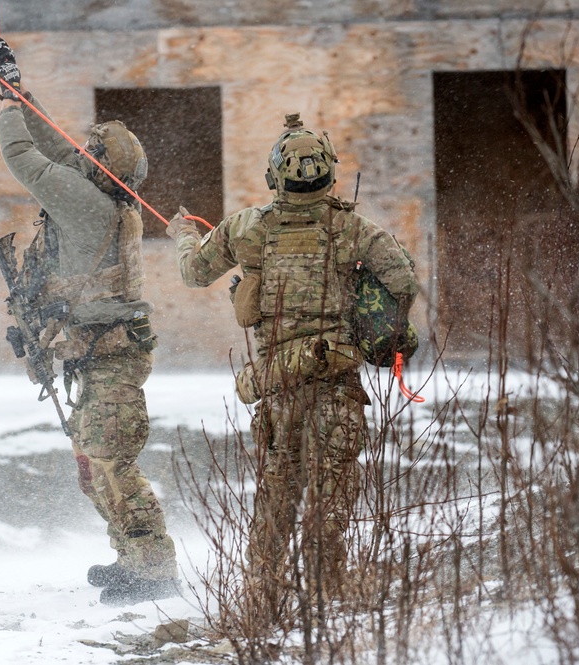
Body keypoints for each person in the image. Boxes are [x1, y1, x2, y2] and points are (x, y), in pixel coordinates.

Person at [166, 113, 418, 610]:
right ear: (329, 171)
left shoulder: (247, 228)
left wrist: (182, 233)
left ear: (273, 174)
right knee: (331, 499)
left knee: (277, 495)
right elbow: (404, 283)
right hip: (338, 385)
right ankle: (327, 598)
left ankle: (260, 599)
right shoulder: (355, 229)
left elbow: (195, 273)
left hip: (278, 387)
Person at [0, 37, 178, 606]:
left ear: (99, 167)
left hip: (110, 354)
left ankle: (155, 568)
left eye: (91, 149)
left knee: (111, 461)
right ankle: (132, 557)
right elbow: (56, 142)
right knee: (94, 465)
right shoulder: (103, 194)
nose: (82, 150)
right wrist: (18, 90)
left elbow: (25, 158)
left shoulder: (84, 201)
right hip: (99, 353)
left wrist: (5, 113)